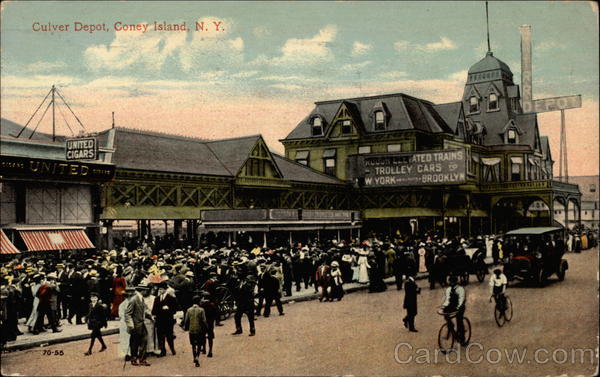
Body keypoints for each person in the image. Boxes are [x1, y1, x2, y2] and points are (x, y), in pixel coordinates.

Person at [125, 284, 150, 366]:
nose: (146, 291)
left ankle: (142, 359)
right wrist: (130, 325)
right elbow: (128, 314)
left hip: (141, 324)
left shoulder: (141, 298)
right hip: (135, 325)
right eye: (145, 290)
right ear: (142, 290)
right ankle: (134, 359)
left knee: (144, 341)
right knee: (134, 343)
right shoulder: (134, 299)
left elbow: (144, 310)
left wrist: (150, 316)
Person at [152, 281, 177, 356]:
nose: (160, 291)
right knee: (160, 336)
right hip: (159, 320)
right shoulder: (157, 299)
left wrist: (168, 309)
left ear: (165, 289)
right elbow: (154, 310)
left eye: (161, 289)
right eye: (159, 289)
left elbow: (175, 309)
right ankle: (163, 350)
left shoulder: (171, 298)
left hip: (168, 320)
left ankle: (172, 349)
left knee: (169, 336)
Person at [183, 295, 208, 367]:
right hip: (199, 330)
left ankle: (194, 357)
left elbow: (186, 320)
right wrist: (206, 328)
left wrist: (186, 327)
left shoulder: (189, 310)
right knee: (199, 344)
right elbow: (204, 320)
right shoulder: (201, 310)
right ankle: (197, 356)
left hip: (192, 330)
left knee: (193, 345)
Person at [441, 275, 466, 345]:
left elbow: (461, 299)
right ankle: (450, 326)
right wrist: (443, 306)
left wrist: (458, 308)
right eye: (450, 282)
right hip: (452, 306)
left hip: (460, 306)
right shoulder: (448, 289)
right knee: (445, 314)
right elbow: (447, 300)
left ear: (456, 282)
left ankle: (462, 337)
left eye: (453, 282)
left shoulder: (460, 289)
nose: (451, 284)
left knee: (459, 320)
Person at [199, 291, 217, 357]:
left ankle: (204, 349)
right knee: (210, 337)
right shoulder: (212, 305)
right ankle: (210, 351)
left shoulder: (201, 305)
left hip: (203, 323)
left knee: (202, 335)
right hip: (210, 323)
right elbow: (216, 314)